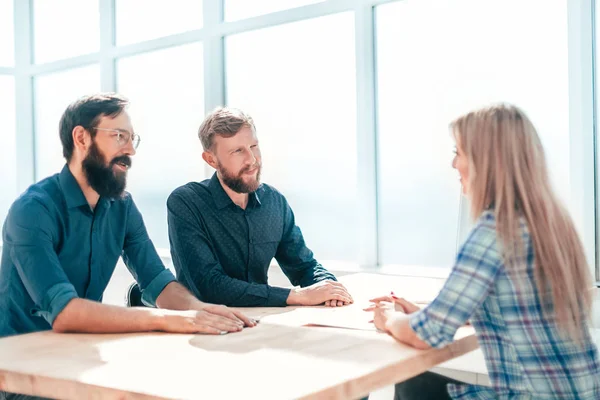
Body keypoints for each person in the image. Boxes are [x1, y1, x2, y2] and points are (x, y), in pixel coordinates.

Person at [368, 104, 600, 400]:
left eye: (459, 153)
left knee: (413, 386)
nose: (454, 164)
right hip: (582, 393)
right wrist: (430, 311)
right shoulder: (553, 225)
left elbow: (425, 336)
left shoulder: (493, 231)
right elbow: (520, 308)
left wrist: (388, 317)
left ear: (485, 162)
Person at [0, 94, 256, 341]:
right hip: (17, 365)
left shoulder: (121, 206)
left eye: (133, 138)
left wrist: (198, 310)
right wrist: (163, 319)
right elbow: (64, 312)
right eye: (119, 136)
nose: (131, 150)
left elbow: (157, 281)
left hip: (77, 352)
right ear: (81, 138)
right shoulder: (32, 210)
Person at [163, 107, 353, 307]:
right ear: (211, 160)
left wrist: (329, 288)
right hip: (202, 323)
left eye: (253, 146)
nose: (252, 160)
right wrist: (296, 296)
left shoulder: (274, 202)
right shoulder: (186, 203)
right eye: (238, 151)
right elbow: (209, 286)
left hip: (256, 321)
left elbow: (304, 265)